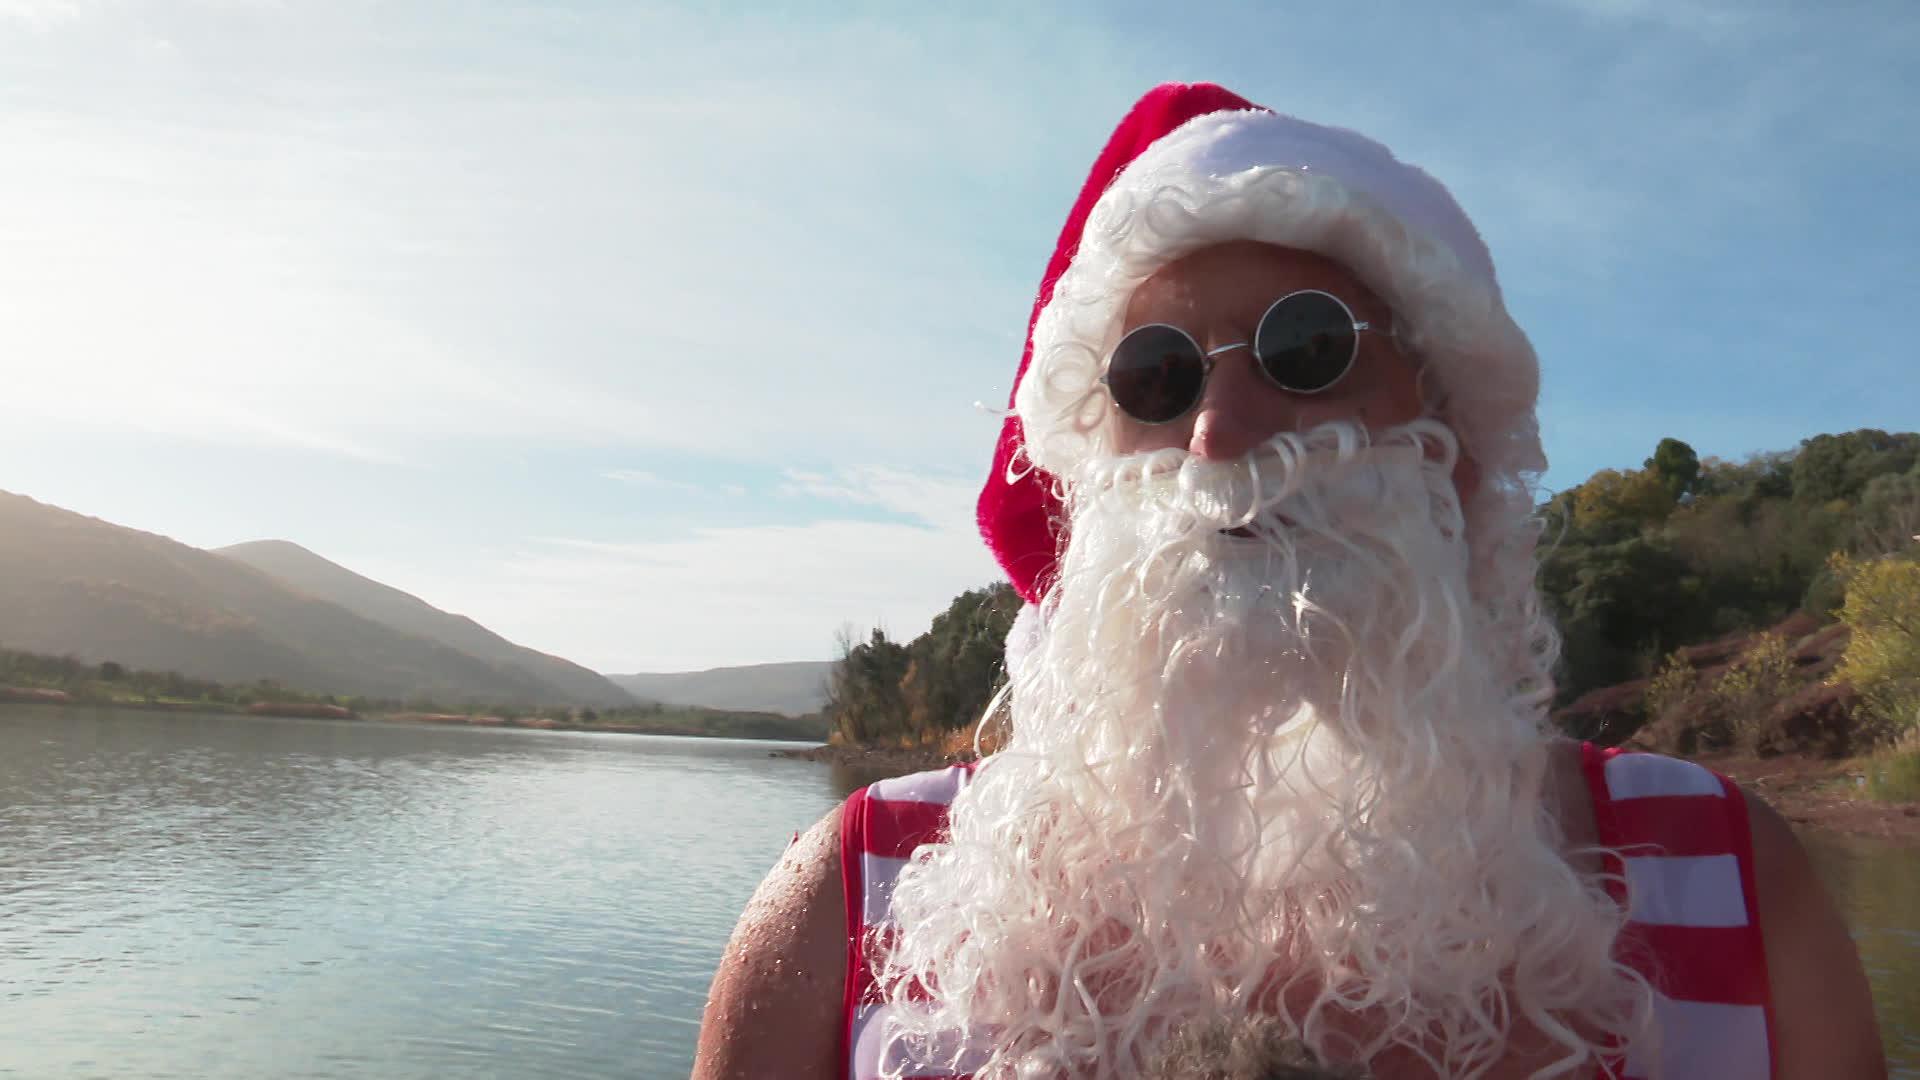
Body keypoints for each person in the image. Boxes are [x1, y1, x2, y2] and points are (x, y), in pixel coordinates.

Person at [691, 83, 1885, 1080]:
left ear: (1454, 450)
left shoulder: (1717, 865)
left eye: (1305, 351)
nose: (1218, 434)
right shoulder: (859, 895)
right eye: (1152, 378)